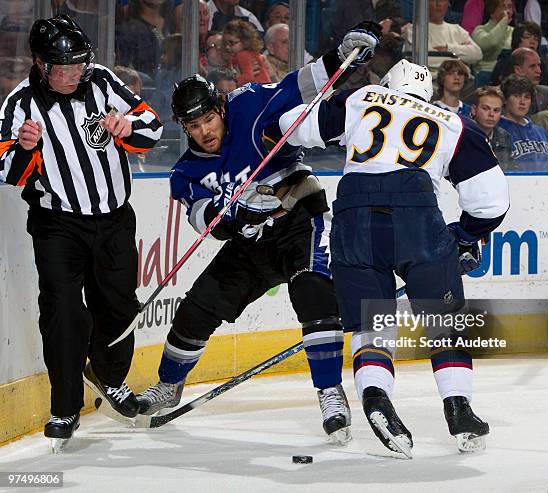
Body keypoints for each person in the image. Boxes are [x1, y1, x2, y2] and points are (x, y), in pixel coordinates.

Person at [135, 22, 382, 445]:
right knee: (198, 307)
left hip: (298, 221)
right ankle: (169, 384)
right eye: (192, 127)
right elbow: (205, 222)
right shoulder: (186, 173)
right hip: (249, 242)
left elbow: (296, 87)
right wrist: (237, 213)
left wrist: (340, 56)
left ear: (220, 108)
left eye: (208, 119)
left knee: (313, 293)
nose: (204, 132)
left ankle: (329, 392)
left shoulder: (248, 107)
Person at [275, 60, 509, 457]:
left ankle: (376, 396)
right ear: (427, 93)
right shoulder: (453, 123)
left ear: (387, 85)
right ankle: (459, 409)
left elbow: (290, 125)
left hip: (353, 214)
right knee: (443, 320)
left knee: (372, 322)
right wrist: (463, 237)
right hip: (415, 216)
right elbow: (491, 203)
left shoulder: (358, 98)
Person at [0, 14, 162, 452]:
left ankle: (110, 378)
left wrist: (130, 129)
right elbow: (7, 173)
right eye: (63, 66)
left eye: (78, 65)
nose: (73, 74)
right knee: (64, 312)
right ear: (39, 63)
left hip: (113, 220)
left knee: (120, 307)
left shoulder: (104, 81)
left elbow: (153, 126)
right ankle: (65, 405)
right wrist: (25, 149)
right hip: (58, 226)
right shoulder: (18, 106)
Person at [402, 0, 483, 74]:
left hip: (462, 84)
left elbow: (477, 54)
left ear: (448, 4)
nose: (439, 4)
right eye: (434, 0)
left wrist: (448, 49)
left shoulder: (457, 30)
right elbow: (425, 60)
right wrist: (460, 60)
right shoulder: (414, 30)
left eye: (442, 0)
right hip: (430, 82)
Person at [498, 74, 548, 170]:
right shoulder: (497, 131)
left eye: (527, 97)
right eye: (516, 96)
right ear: (505, 99)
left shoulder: (541, 132)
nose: (522, 102)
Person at [471, 86, 517, 170]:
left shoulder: (504, 136)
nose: (491, 114)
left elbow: (512, 171)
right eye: (485, 108)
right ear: (474, 110)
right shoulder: (461, 135)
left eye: (496, 110)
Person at [472, 0, 514, 86]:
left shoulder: (514, 32)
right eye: (502, 6)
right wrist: (504, 20)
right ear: (491, 12)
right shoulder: (479, 30)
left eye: (509, 6)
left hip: (509, 75)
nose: (508, 11)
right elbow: (492, 42)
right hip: (485, 75)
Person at [223, 19, 271, 85]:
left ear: (245, 41)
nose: (227, 47)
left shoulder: (243, 55)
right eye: (225, 43)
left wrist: (233, 82)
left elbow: (249, 77)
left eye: (232, 43)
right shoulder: (252, 54)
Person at [503, 47, 548, 113]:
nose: (539, 71)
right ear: (518, 70)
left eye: (539, 65)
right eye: (532, 66)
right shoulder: (499, 95)